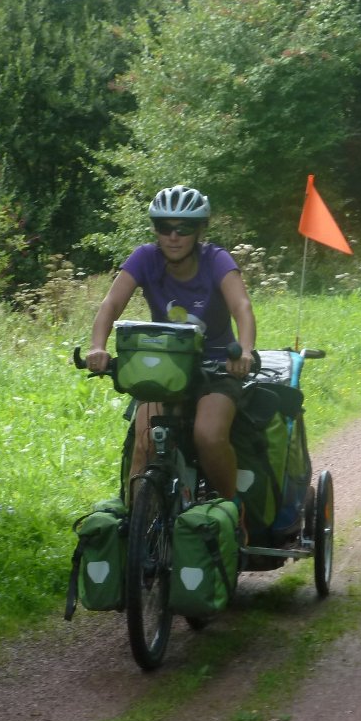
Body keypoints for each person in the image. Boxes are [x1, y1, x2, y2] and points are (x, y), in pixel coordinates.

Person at [85, 184, 257, 512]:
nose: (173, 237)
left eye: (184, 228)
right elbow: (111, 305)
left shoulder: (216, 260)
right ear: (156, 230)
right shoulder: (145, 258)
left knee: (207, 436)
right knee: (144, 443)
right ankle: (136, 531)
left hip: (216, 367)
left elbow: (243, 308)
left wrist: (245, 352)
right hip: (167, 368)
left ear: (199, 231)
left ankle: (234, 511)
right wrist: (98, 347)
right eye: (165, 227)